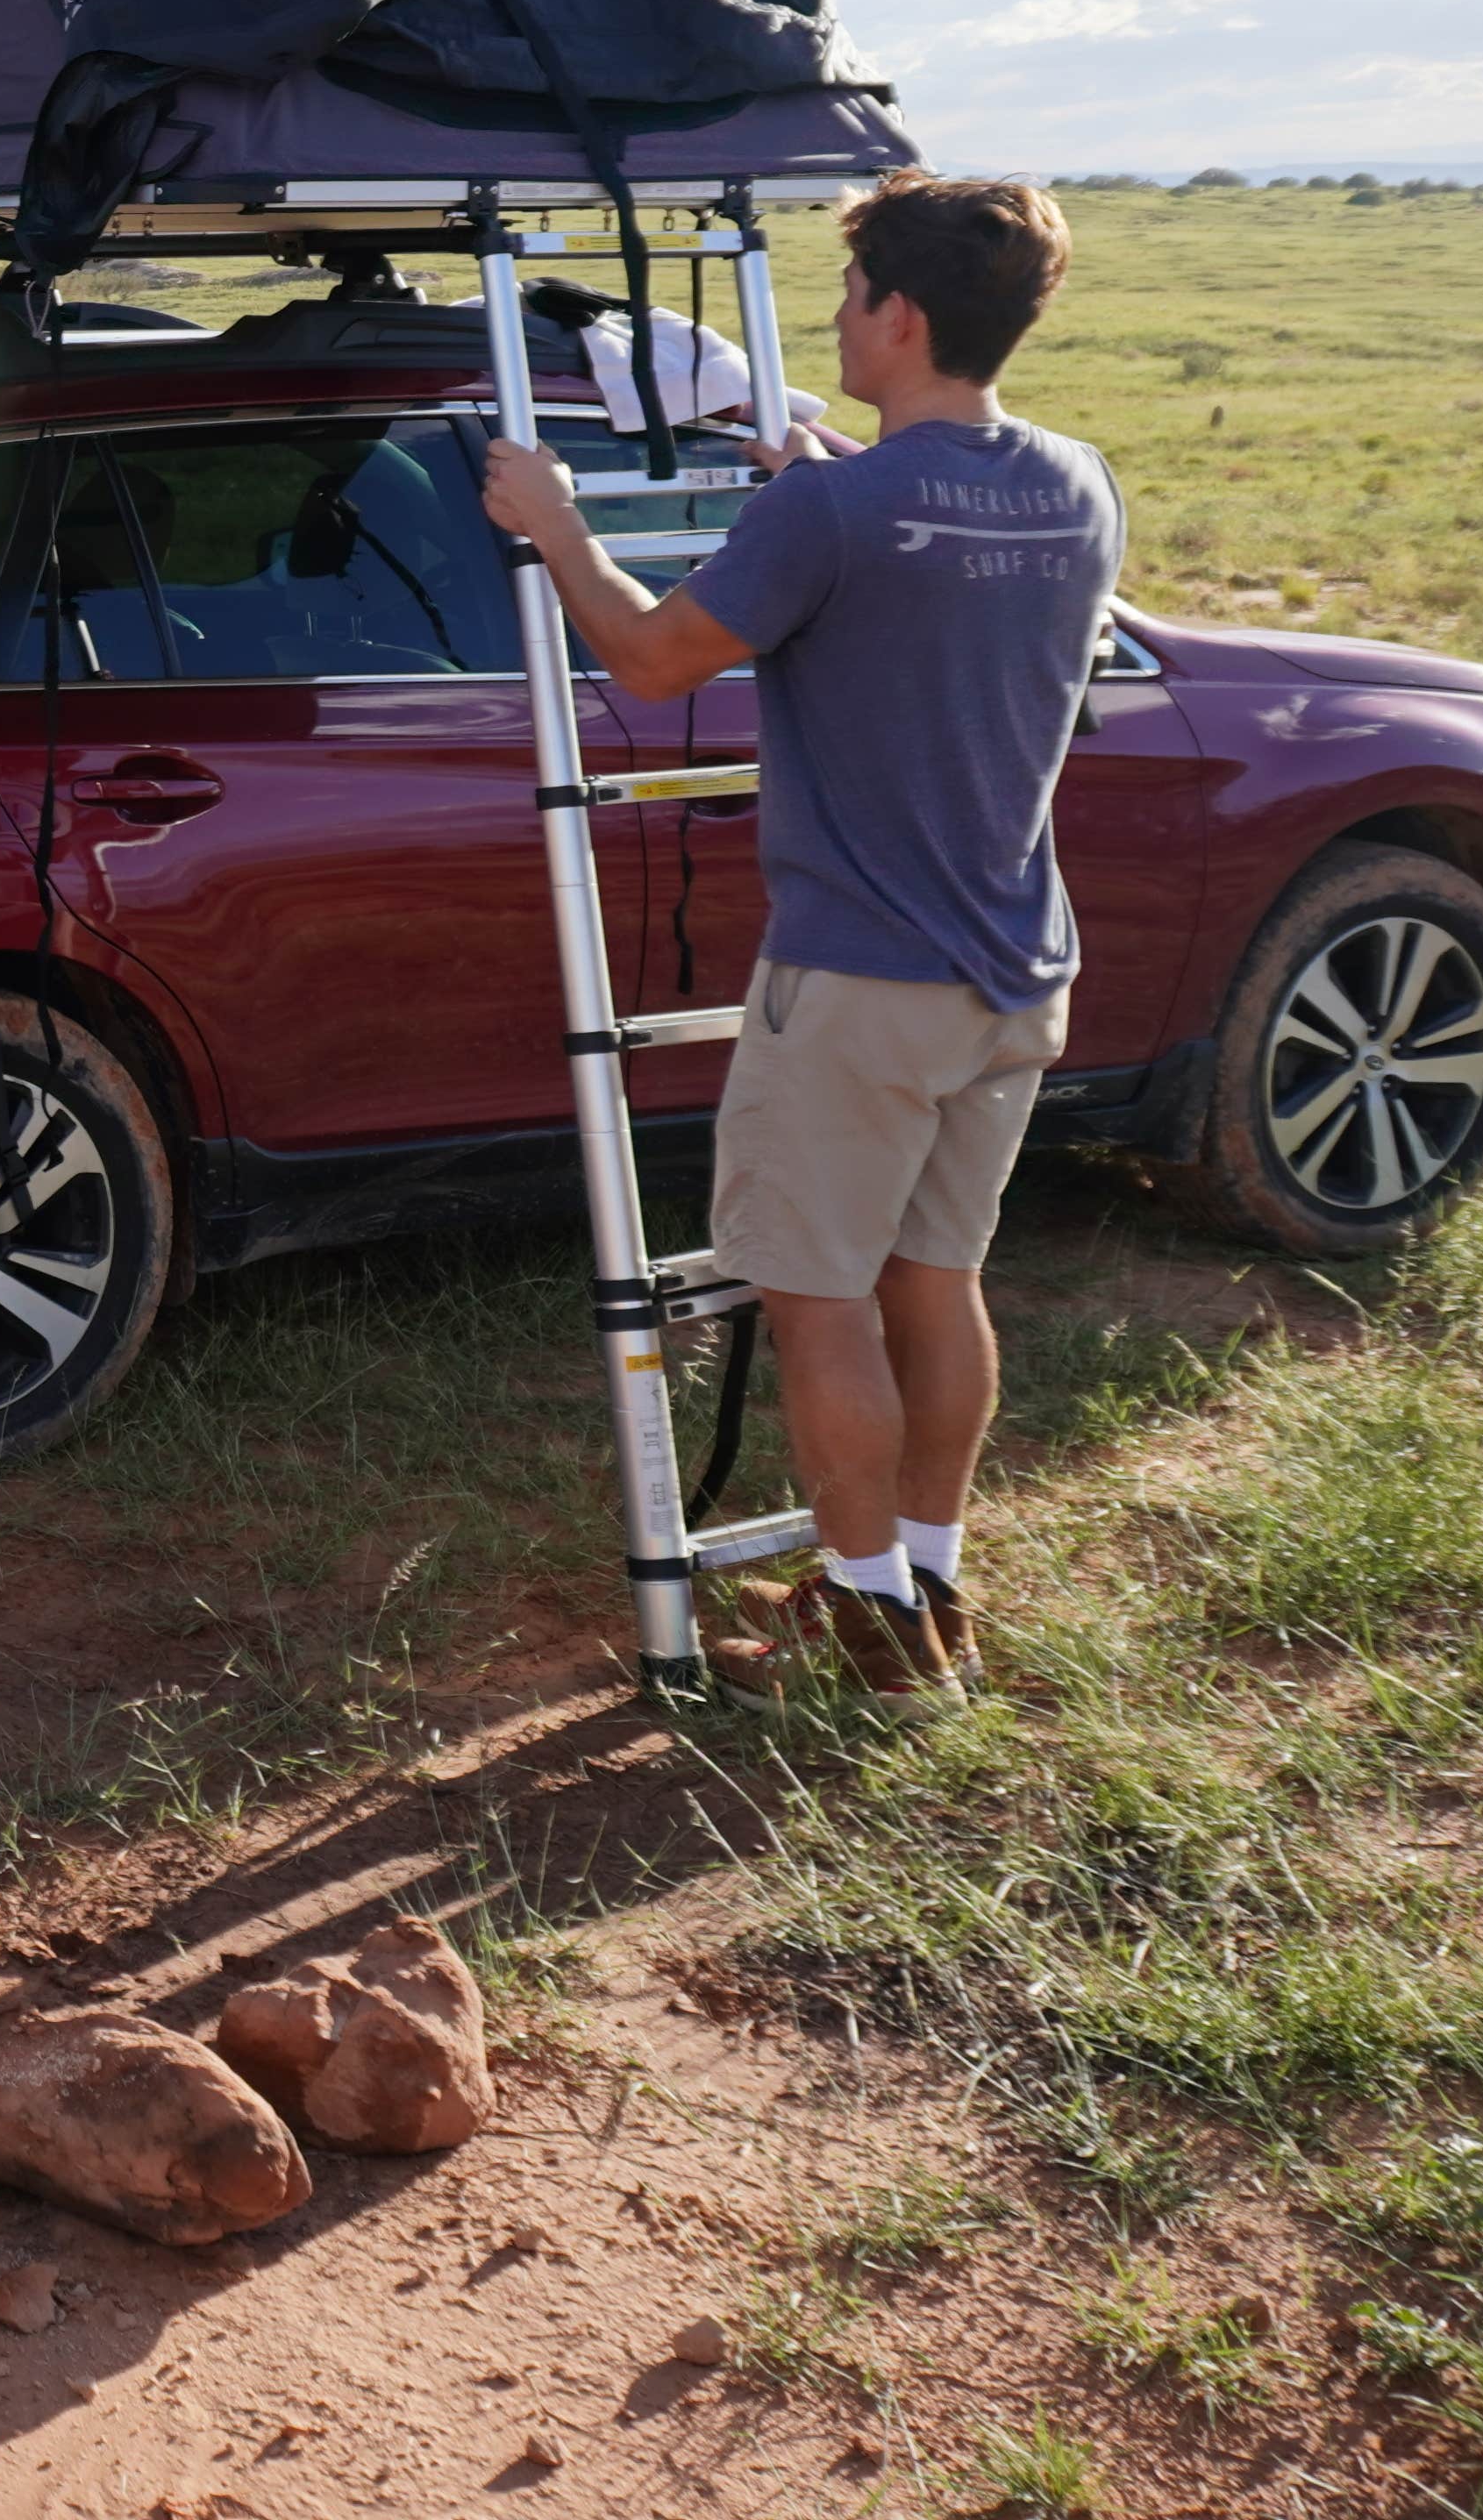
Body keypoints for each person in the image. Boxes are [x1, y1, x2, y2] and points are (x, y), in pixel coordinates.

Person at [480, 177, 1123, 1703]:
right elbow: (941, 558)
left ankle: (867, 1625)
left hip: (858, 984)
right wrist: (831, 471)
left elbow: (644, 662)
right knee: (935, 1278)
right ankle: (932, 1587)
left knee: (817, 1298)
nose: (833, 322)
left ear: (898, 318)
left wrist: (560, 527)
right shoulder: (1078, 482)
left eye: (848, 302)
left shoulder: (830, 512)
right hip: (1016, 970)